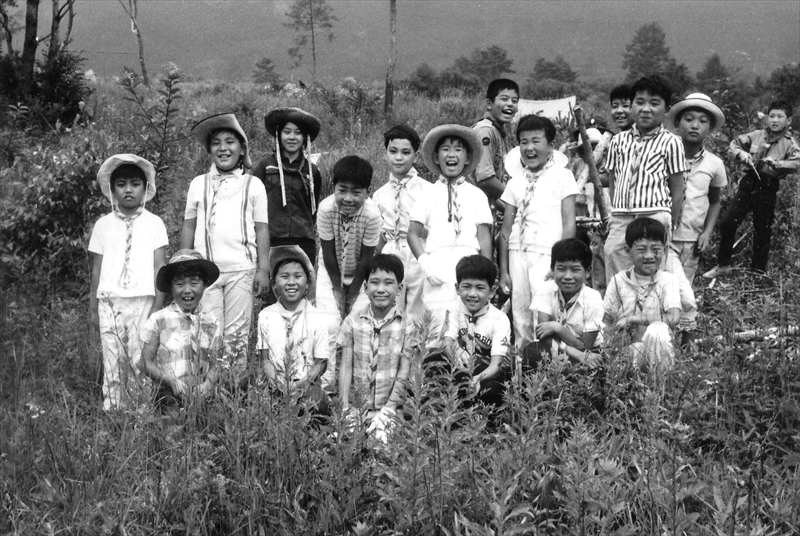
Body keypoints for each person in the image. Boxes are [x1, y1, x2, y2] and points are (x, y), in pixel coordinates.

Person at [181, 113, 270, 377]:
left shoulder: (253, 185)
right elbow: (188, 225)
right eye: (216, 142)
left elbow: (262, 230)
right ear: (209, 150)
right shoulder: (198, 184)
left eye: (230, 141)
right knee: (208, 333)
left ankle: (233, 390)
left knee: (237, 336)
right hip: (205, 273)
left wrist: (263, 269)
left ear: (242, 148)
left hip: (241, 271)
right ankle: (206, 389)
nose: (223, 148)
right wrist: (184, 264)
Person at [88, 154, 168, 410]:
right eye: (121, 184)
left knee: (139, 356)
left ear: (145, 188)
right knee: (113, 354)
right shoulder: (103, 225)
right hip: (110, 301)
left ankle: (140, 410)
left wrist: (157, 307)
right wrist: (93, 308)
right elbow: (97, 270)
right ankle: (112, 407)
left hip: (143, 299)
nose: (128, 189)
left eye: (135, 183)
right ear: (112, 190)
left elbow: (160, 268)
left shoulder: (155, 224)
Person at [408, 125, 493, 346]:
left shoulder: (477, 195)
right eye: (445, 149)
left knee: (468, 325)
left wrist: (485, 272)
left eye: (458, 150)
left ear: (467, 158)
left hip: (469, 266)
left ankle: (467, 375)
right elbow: (413, 234)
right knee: (436, 325)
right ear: (436, 157)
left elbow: (485, 237)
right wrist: (426, 264)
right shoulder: (427, 193)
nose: (451, 155)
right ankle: (434, 375)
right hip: (438, 266)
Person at [498, 114, 578, 348]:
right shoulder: (515, 182)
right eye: (523, 142)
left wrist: (561, 263)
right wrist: (503, 270)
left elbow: (569, 222)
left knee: (544, 311)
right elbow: (505, 229)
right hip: (517, 254)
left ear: (551, 145)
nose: (529, 148)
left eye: (536, 141)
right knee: (521, 313)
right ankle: (523, 370)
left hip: (548, 254)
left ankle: (549, 368)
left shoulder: (563, 176)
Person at [603, 75, 688, 285]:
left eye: (654, 103)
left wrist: (669, 219)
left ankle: (652, 314)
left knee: (650, 268)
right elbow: (613, 180)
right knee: (613, 254)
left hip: (654, 215)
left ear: (666, 109)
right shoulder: (618, 141)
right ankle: (621, 312)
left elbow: (678, 188)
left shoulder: (671, 142)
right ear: (632, 106)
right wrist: (617, 209)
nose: (646, 109)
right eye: (639, 102)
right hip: (621, 216)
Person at [704, 100, 800, 277]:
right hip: (748, 184)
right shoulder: (757, 135)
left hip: (768, 187)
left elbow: (797, 162)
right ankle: (723, 265)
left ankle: (757, 274)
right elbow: (733, 145)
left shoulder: (790, 143)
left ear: (789, 121)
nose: (775, 120)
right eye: (772, 116)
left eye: (780, 116)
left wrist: (778, 164)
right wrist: (742, 154)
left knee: (762, 231)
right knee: (728, 222)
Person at [338, 254, 421, 441]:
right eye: (374, 283)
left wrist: (389, 409)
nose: (381, 289)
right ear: (365, 287)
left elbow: (404, 371)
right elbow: (346, 366)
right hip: (357, 408)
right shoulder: (352, 321)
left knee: (382, 447)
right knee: (344, 445)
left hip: (391, 409)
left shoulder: (407, 326)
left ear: (399, 288)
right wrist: (344, 408)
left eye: (388, 283)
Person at [316, 155, 382, 385]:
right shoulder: (325, 209)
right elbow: (328, 253)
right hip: (330, 271)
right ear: (333, 187)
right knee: (330, 323)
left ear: (368, 191)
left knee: (359, 324)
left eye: (356, 192)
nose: (348, 198)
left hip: (360, 274)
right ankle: (327, 382)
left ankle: (359, 384)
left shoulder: (372, 215)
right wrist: (337, 289)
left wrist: (353, 293)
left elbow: (366, 259)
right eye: (342, 190)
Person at [140, 249, 222, 411]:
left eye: (194, 283)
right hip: (168, 391)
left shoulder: (212, 322)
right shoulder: (158, 319)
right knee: (169, 417)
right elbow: (145, 362)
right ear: (170, 287)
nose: (186, 290)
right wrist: (169, 380)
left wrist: (207, 384)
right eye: (179, 284)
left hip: (201, 393)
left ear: (205, 285)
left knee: (210, 421)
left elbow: (217, 364)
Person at [428, 255, 511, 408]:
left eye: (480, 288)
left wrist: (478, 378)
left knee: (495, 389)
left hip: (484, 370)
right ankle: (441, 410)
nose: (472, 294)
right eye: (467, 286)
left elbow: (497, 363)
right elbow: (447, 341)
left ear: (492, 291)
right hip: (459, 366)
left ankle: (484, 418)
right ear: (457, 288)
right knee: (432, 359)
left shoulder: (500, 319)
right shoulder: (454, 309)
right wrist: (456, 354)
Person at [255, 245, 329, 412]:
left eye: (298, 276)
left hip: (306, 384)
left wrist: (300, 385)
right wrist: (278, 384)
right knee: (259, 400)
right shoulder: (266, 315)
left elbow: (321, 363)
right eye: (284, 276)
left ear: (308, 283)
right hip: (275, 384)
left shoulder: (317, 317)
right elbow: (264, 359)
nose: (291, 282)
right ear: (274, 284)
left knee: (317, 402)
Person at [603, 218, 681, 375]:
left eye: (655, 249)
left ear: (664, 250)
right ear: (628, 250)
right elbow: (605, 320)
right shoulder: (618, 281)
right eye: (641, 250)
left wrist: (635, 319)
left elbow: (673, 318)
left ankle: (659, 388)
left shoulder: (668, 280)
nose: (649, 255)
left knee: (657, 331)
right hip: (626, 352)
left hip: (661, 353)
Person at [666, 93, 727, 285]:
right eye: (689, 119)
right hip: (663, 236)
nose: (695, 125)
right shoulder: (663, 156)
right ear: (678, 124)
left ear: (710, 128)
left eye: (702, 121)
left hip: (691, 240)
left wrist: (707, 233)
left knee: (683, 289)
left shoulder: (714, 164)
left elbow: (715, 202)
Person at [372, 125, 432, 317]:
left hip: (418, 252)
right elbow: (379, 233)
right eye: (393, 151)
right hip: (391, 252)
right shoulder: (380, 194)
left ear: (416, 155)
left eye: (406, 152)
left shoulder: (428, 190)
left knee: (417, 307)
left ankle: (414, 346)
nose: (399, 157)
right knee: (391, 305)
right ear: (385, 154)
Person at [252, 107, 323, 264]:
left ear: (305, 137)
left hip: (303, 240)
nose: (292, 137)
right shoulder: (266, 165)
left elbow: (313, 209)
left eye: (298, 132)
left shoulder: (313, 171)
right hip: (271, 239)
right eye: (287, 132)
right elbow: (252, 202)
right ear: (279, 135)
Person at [525, 238, 604, 369]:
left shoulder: (593, 298)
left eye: (575, 270)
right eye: (561, 269)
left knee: (588, 367)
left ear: (588, 271)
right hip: (558, 349)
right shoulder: (546, 290)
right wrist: (575, 353)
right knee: (531, 352)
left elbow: (584, 346)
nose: (567, 276)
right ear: (552, 269)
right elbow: (543, 336)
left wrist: (558, 329)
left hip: (588, 352)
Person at [470, 78, 520, 205]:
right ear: (489, 104)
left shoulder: (497, 131)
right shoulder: (485, 130)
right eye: (504, 99)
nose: (510, 104)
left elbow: (488, 190)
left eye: (515, 101)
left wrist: (511, 211)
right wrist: (519, 200)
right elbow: (484, 180)